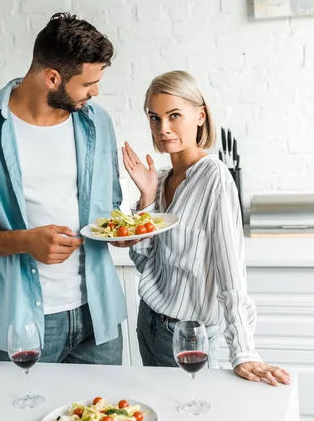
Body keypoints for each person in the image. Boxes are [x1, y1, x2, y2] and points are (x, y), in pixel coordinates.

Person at [0, 12, 128, 365]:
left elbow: (110, 204)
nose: (95, 92)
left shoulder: (97, 121)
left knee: (105, 419)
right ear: (53, 78)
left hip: (98, 317)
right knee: (18, 419)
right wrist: (25, 241)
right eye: (87, 84)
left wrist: (123, 230)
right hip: (23, 324)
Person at [122, 71, 291, 386]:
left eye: (174, 116)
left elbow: (231, 271)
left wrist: (243, 351)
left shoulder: (214, 177)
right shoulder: (159, 180)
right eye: (154, 118)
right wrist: (145, 200)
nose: (163, 128)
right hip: (149, 323)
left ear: (200, 116)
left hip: (188, 335)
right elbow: (148, 265)